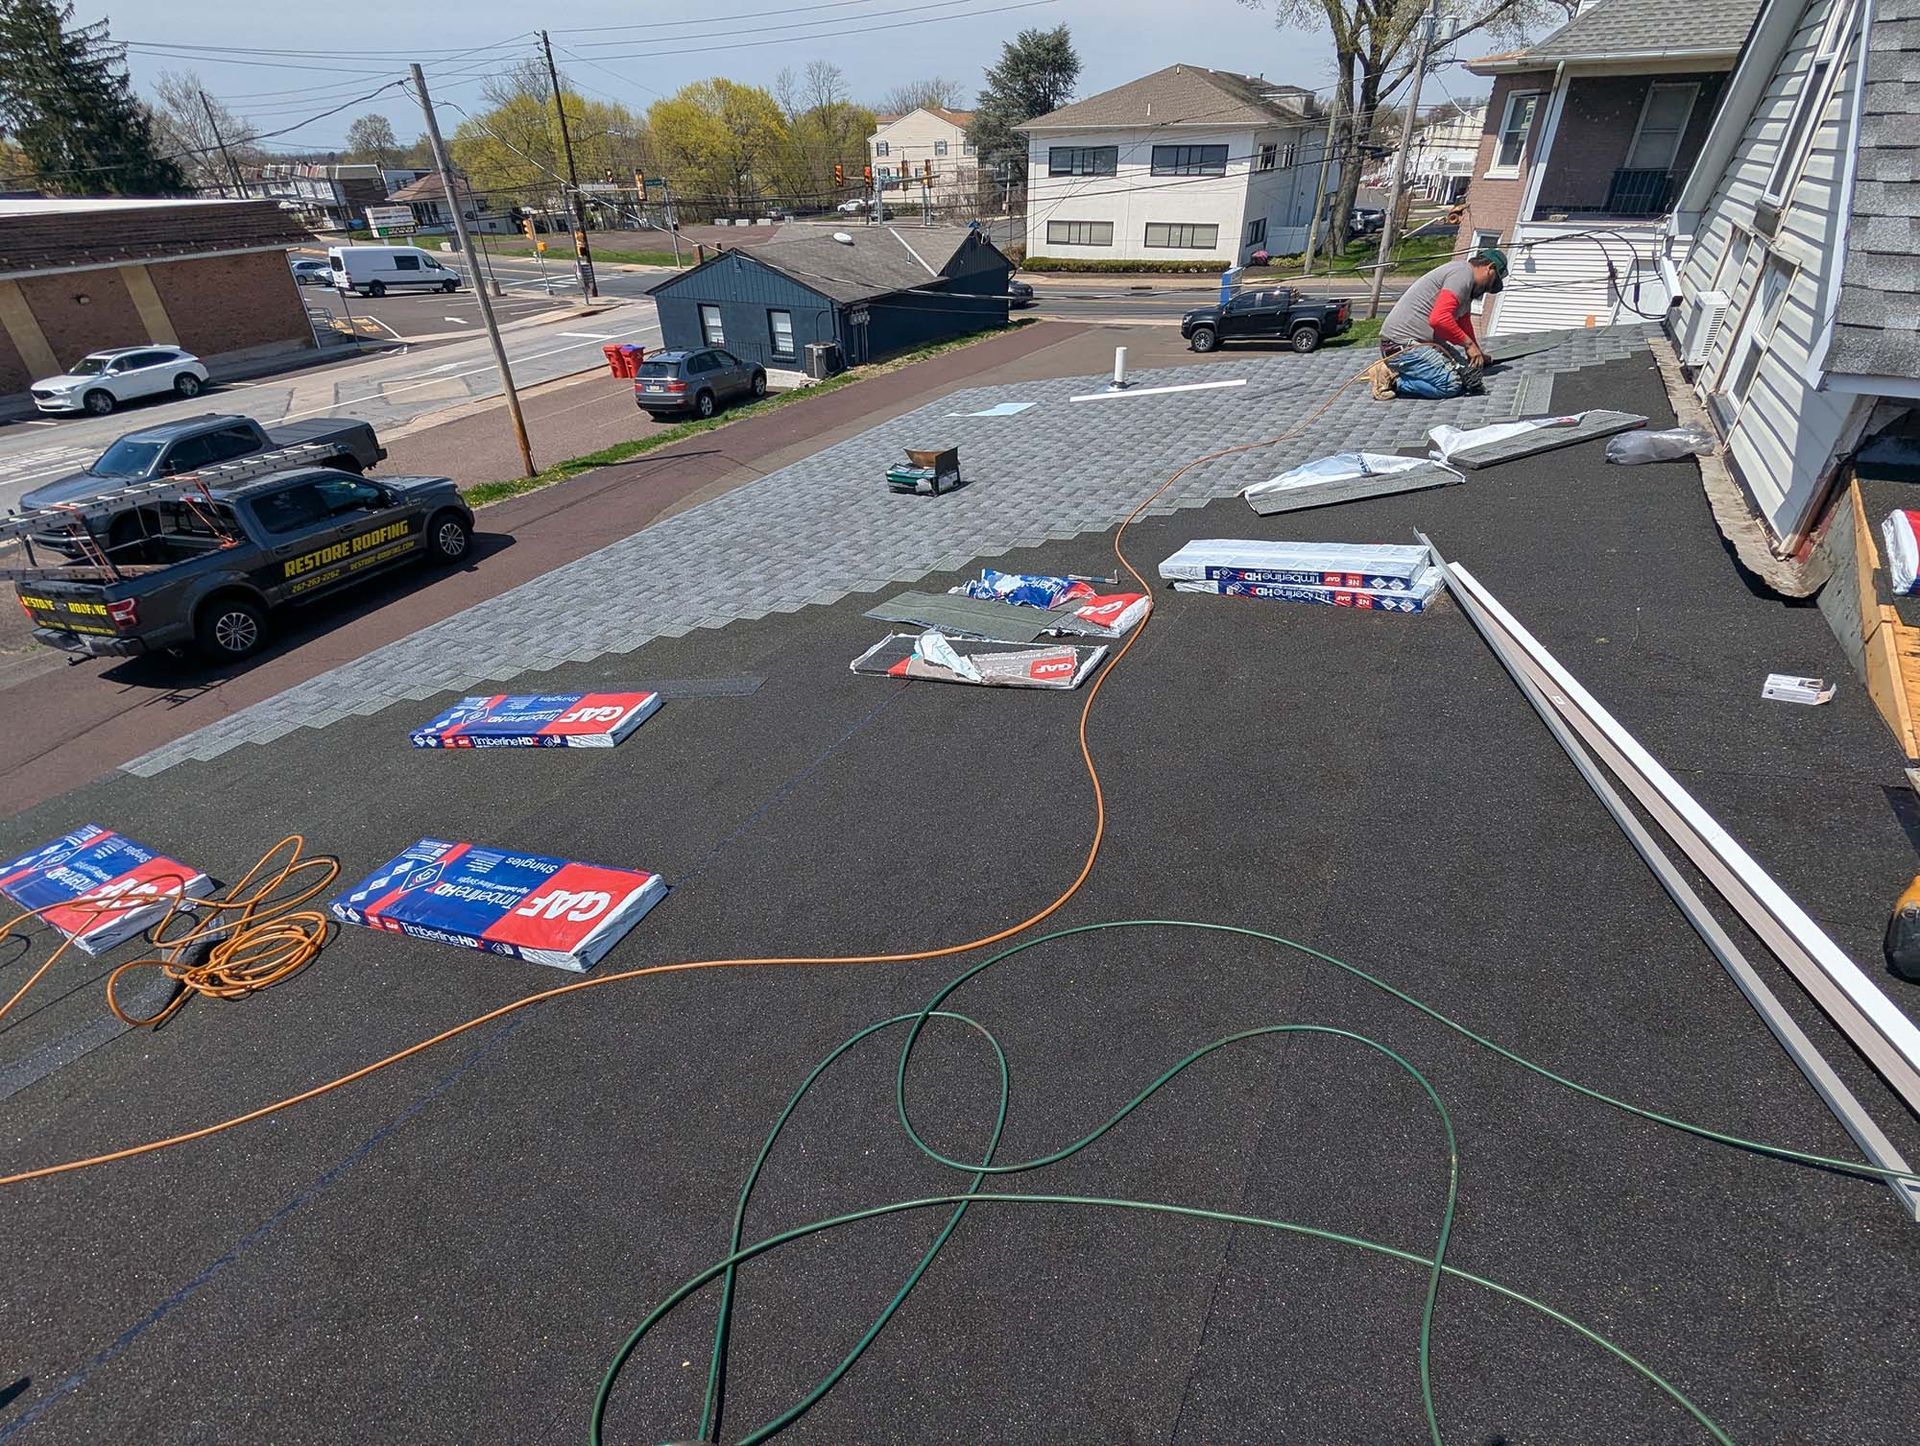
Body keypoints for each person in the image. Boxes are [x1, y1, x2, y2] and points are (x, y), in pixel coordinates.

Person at [1380, 247, 1508, 367]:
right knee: (1451, 384)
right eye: (1490, 284)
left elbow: (1463, 322)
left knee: (1465, 372)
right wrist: (1469, 345)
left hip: (1424, 343)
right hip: (1401, 345)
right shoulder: (1462, 274)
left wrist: (1477, 351)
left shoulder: (1467, 285)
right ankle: (1392, 378)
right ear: (1489, 268)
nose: (1486, 290)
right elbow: (1439, 319)